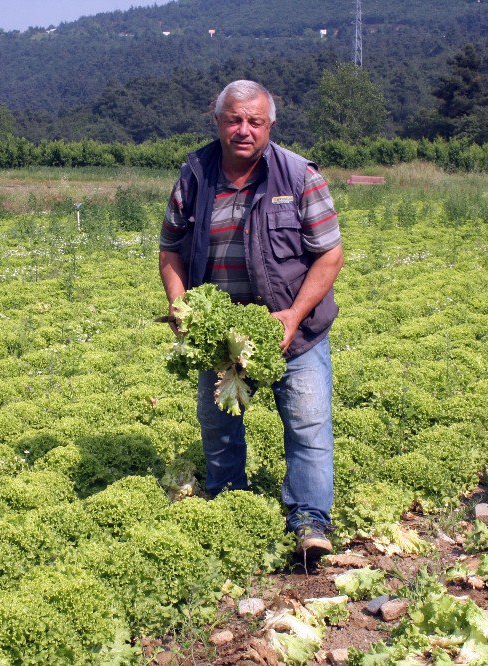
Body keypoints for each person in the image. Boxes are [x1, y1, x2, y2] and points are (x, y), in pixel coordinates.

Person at [158, 80, 344, 559]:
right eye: (234, 119)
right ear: (217, 121)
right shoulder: (195, 175)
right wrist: (181, 305)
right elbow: (171, 250)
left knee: (307, 425)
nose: (244, 130)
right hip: (221, 338)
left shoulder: (300, 176)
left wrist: (292, 316)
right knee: (218, 425)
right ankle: (230, 503)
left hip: (294, 333)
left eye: (254, 121)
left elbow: (329, 255)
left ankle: (309, 520)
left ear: (270, 124)